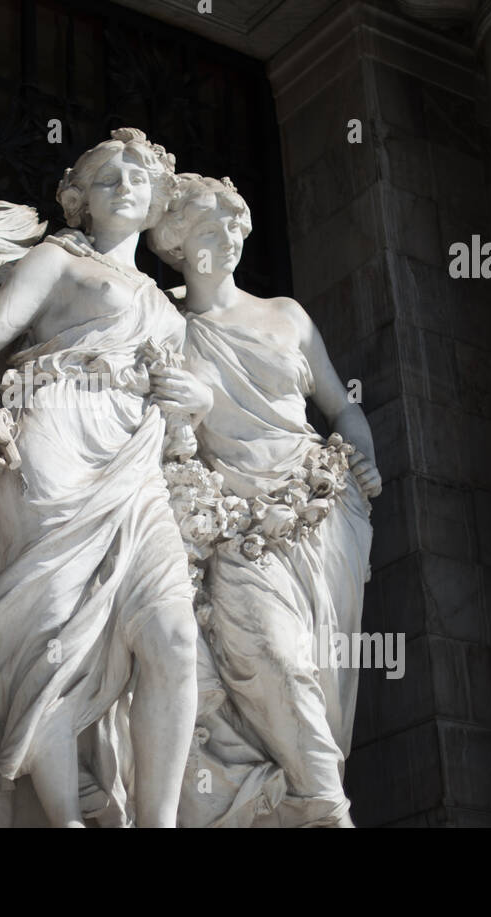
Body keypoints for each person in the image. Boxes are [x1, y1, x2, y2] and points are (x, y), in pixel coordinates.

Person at [0, 130, 211, 827]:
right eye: (106, 175)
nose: (125, 184)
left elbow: (190, 425)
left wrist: (194, 405)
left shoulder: (168, 309)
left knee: (172, 634)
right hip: (49, 434)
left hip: (135, 463)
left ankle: (158, 821)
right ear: (77, 199)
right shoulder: (57, 260)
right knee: (46, 637)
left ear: (157, 200)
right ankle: (62, 818)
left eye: (138, 176)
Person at [149, 174, 382, 827]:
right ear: (175, 240)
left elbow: (340, 405)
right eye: (206, 225)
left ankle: (314, 791)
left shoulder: (286, 315)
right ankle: (322, 803)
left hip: (320, 511)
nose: (224, 236)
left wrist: (364, 456)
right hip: (236, 521)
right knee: (275, 656)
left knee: (317, 673)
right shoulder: (166, 325)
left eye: (231, 223)